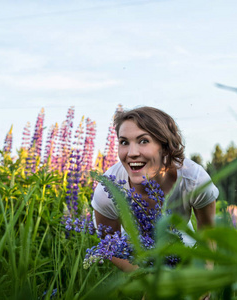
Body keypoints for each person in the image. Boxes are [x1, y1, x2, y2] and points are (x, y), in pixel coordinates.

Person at [91, 106, 218, 272]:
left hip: (178, 238)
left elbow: (208, 236)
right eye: (124, 142)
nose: (132, 153)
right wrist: (148, 280)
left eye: (143, 141)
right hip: (131, 246)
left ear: (165, 146)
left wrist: (203, 280)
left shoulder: (194, 179)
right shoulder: (108, 190)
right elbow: (109, 246)